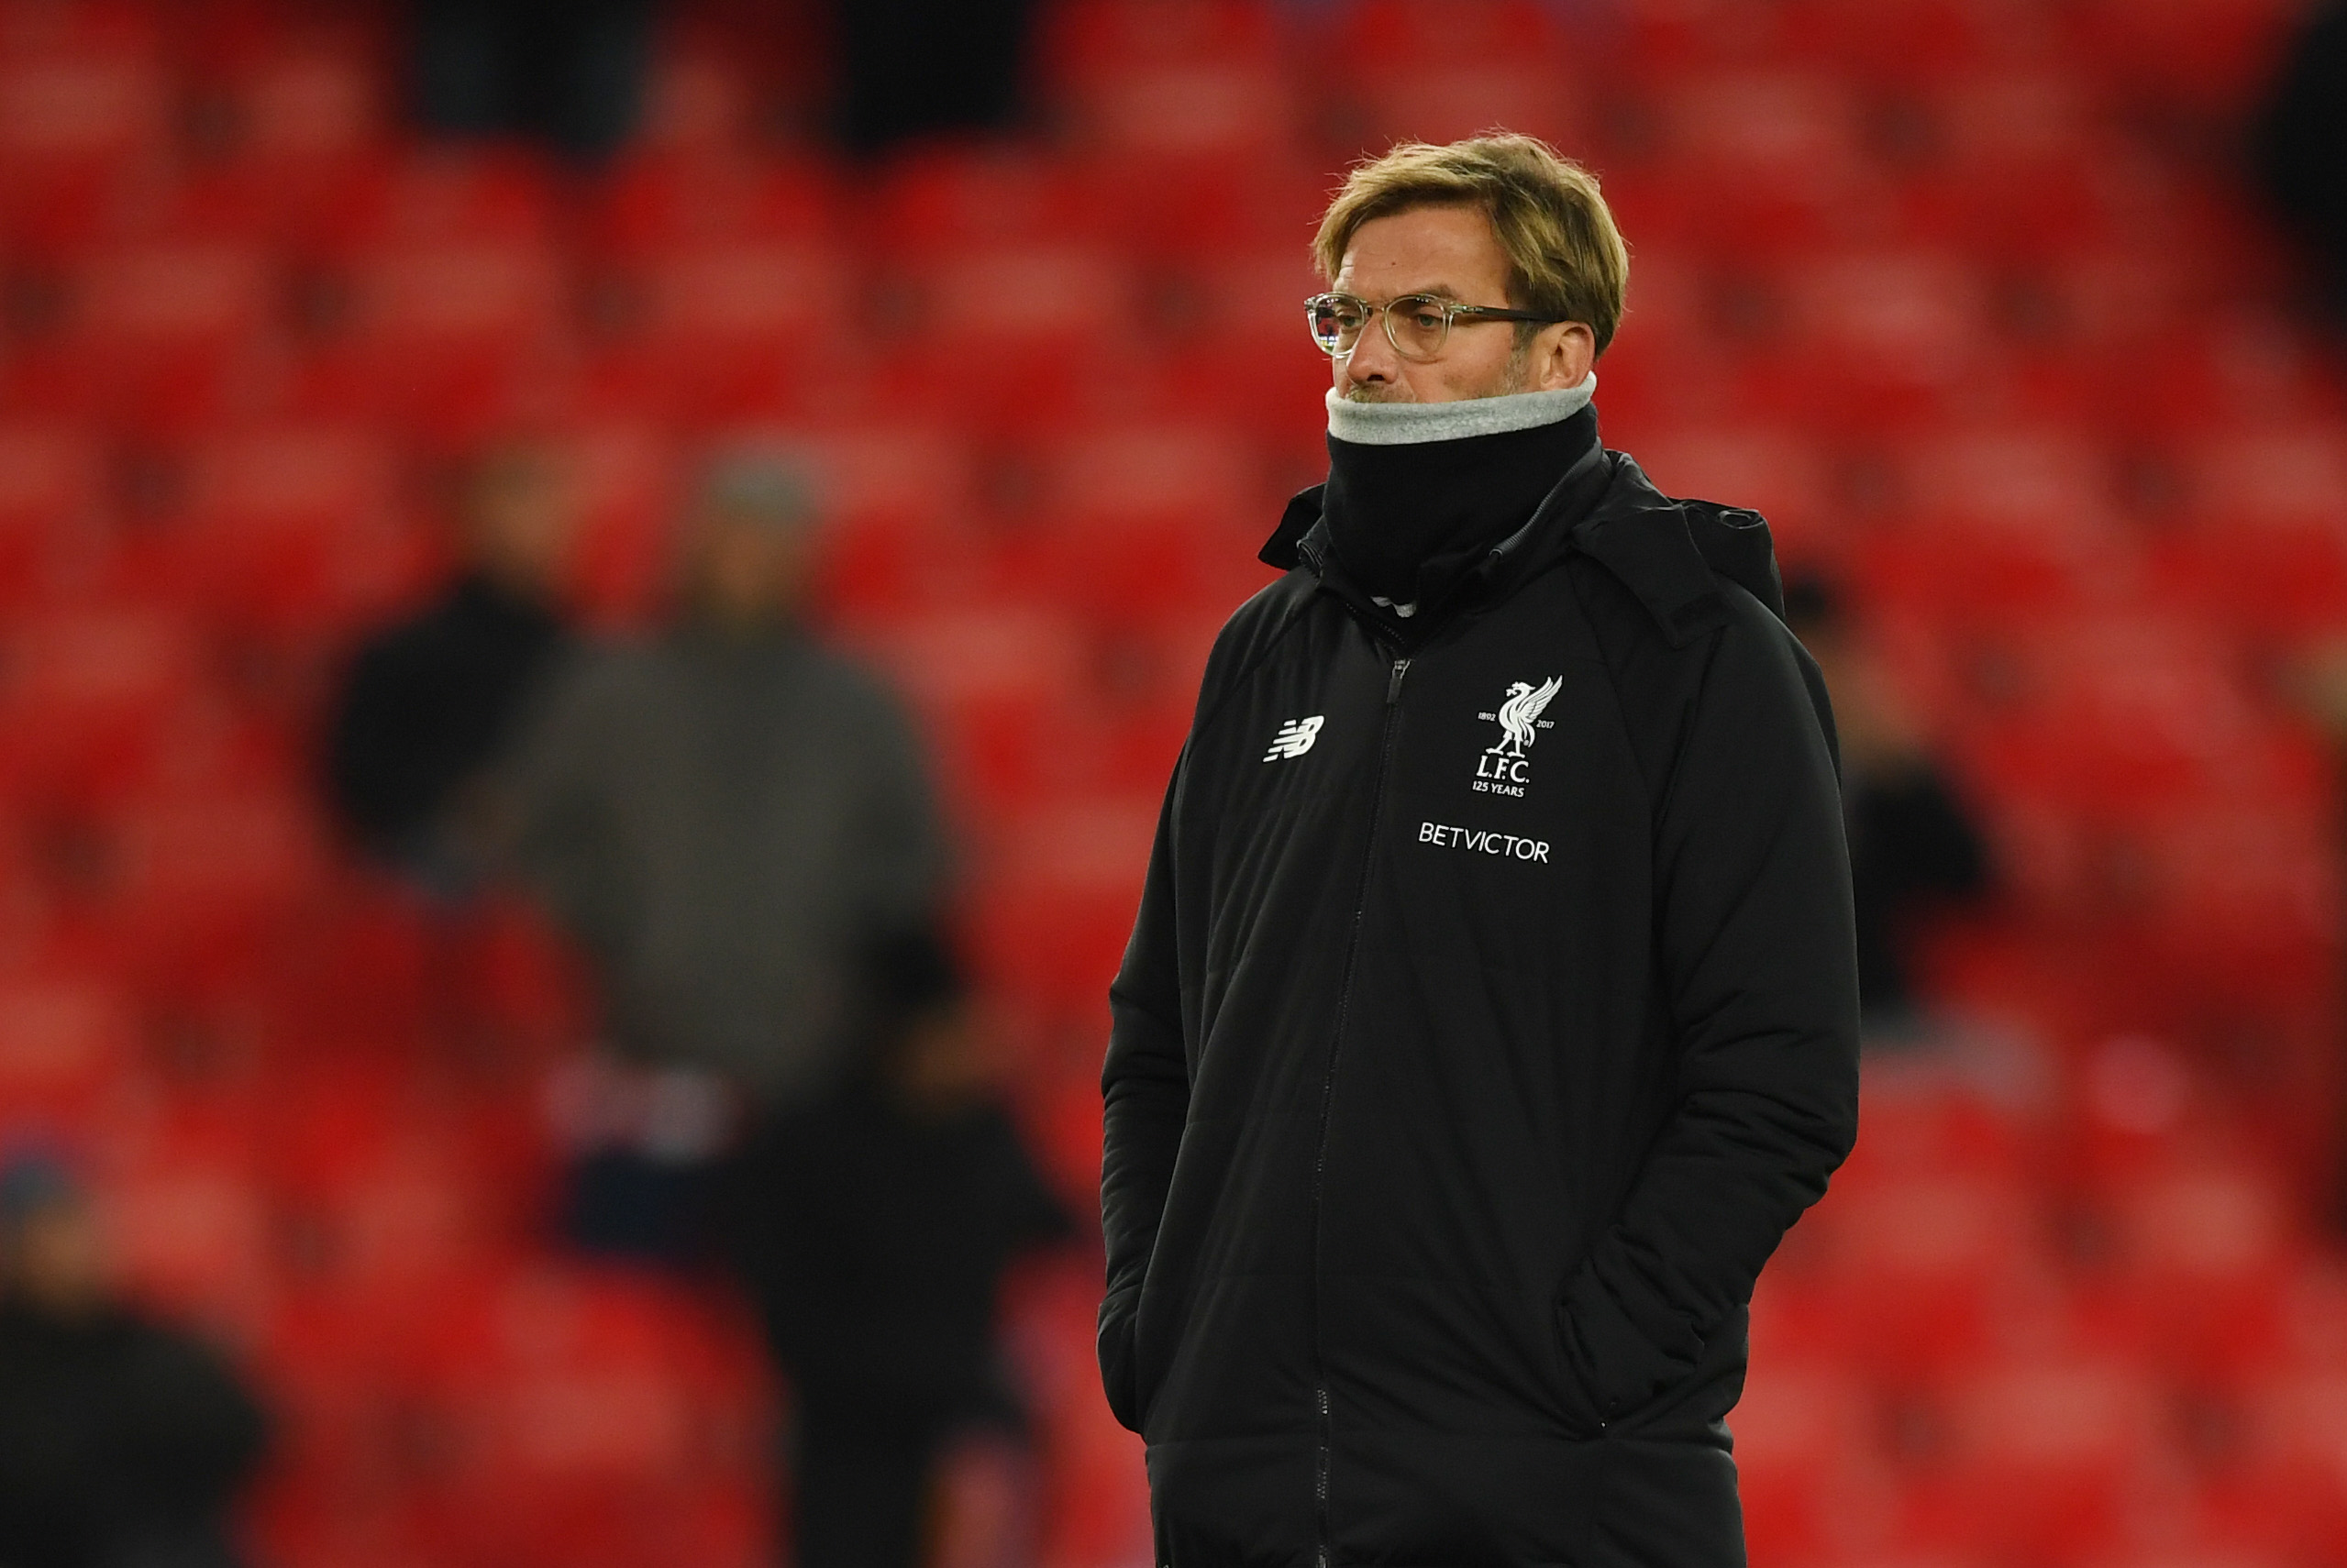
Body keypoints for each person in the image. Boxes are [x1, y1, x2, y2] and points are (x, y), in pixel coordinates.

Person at [1097, 136, 1859, 1566]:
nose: (1366, 357)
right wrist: (1159, 1329)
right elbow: (1155, 1048)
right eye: (1342, 314)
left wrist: (1581, 1366)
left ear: (1559, 349)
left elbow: (1779, 1077)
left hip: (1557, 1494)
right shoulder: (1264, 650)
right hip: (1235, 1483)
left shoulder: (1691, 650)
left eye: (1425, 316)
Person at [499, 447, 948, 1258]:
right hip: (645, 1067)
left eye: (770, 539)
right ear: (688, 544)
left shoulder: (858, 704)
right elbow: (538, 838)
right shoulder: (606, 692)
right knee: (627, 1295)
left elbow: (912, 861)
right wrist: (623, 922)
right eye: (730, 534)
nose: (747, 558)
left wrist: (826, 933)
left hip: (813, 1079)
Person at [734, 928, 1074, 1568]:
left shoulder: (985, 1134)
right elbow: (787, 1306)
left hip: (965, 1425)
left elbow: (1060, 1235)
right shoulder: (808, 1147)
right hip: (850, 1433)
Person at [325, 442, 576, 896]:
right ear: (471, 518)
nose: (536, 524)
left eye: (547, 504)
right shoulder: (408, 648)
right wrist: (458, 801)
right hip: (447, 857)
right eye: (516, 501)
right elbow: (362, 774)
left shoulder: (583, 651)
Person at [0, 1156, 270, 1568]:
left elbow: (244, 1432)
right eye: (48, 1232)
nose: (74, 1249)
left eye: (76, 1225)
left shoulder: (149, 1343)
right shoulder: (16, 1367)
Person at [1783, 573, 1991, 1039]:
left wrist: (1904, 772)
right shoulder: (1728, 764)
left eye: (1833, 657)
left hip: (1877, 1011)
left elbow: (1969, 879)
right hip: (1761, 1017)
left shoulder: (1880, 766)